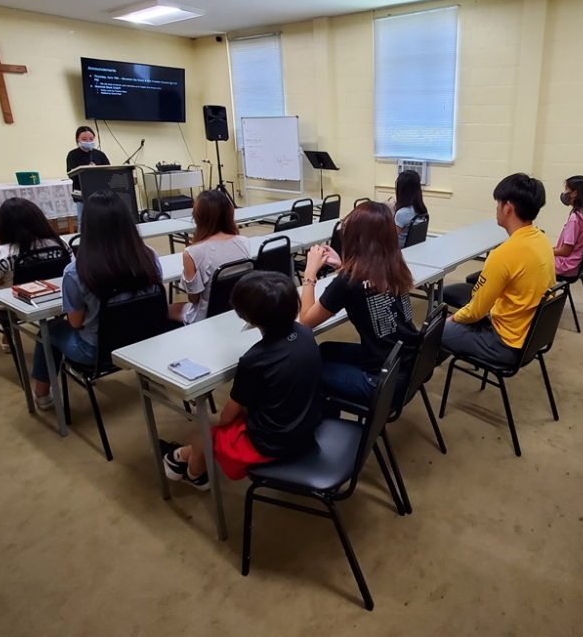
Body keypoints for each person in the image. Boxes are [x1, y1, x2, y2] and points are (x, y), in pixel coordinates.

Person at [160, 271, 322, 490]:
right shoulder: (306, 333)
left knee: (204, 432)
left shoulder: (255, 359)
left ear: (248, 318)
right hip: (306, 428)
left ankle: (193, 474)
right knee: (224, 424)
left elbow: (228, 416)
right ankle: (178, 458)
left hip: (271, 444)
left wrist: (218, 424)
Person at [30, 191, 161, 411]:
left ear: (87, 226)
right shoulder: (149, 256)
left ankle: (42, 395)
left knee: (49, 329)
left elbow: (75, 323)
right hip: (143, 341)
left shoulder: (76, 271)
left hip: (97, 352)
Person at [298, 201, 419, 407]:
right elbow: (362, 287)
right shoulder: (395, 264)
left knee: (305, 368)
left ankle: (324, 419)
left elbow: (305, 321)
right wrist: (342, 265)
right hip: (406, 365)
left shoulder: (348, 282)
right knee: (324, 350)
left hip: (381, 383)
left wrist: (309, 273)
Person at [442, 173, 555, 369]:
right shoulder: (542, 240)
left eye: (498, 202)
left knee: (434, 331)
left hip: (505, 344)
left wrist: (452, 319)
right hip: (530, 338)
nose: (496, 208)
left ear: (508, 207)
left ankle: (412, 378)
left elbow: (475, 312)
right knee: (449, 327)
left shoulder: (503, 255)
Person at [0, 197, 68, 352]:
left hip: (16, 301)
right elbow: (70, 268)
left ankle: (8, 333)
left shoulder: (5, 251)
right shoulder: (59, 243)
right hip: (55, 294)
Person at [168, 190, 250, 325]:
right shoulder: (244, 242)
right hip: (236, 310)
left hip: (206, 316)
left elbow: (194, 299)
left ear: (198, 217)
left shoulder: (192, 252)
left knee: (168, 309)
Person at [553, 175, 583, 279]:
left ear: (574, 193)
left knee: (529, 260)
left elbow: (565, 251)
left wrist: (545, 251)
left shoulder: (575, 218)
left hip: (565, 266)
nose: (564, 193)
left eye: (566, 190)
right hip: (575, 264)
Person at [66, 126, 110, 232]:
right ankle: (81, 241)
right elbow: (71, 174)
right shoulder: (73, 155)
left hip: (99, 191)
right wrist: (86, 170)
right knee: (83, 220)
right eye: (84, 139)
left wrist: (97, 169)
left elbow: (108, 171)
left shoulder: (100, 154)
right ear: (78, 139)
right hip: (81, 192)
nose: (88, 141)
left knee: (102, 219)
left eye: (91, 139)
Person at [393, 170, 428, 248]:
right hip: (414, 249)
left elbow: (392, 239)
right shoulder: (421, 210)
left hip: (400, 250)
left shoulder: (402, 213)